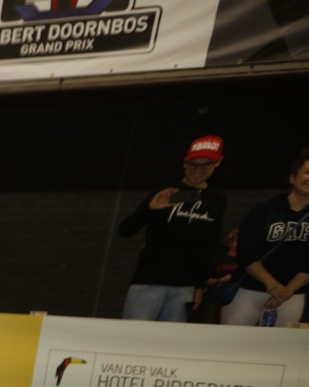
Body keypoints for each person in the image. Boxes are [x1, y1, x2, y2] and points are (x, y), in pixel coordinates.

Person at [118, 135, 228, 322]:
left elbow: (210, 243)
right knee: (134, 335)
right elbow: (126, 230)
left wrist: (200, 285)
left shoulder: (217, 199)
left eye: (205, 165)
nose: (198, 170)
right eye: (193, 164)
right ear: (185, 162)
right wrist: (149, 209)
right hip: (149, 282)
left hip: (185, 288)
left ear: (217, 163)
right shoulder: (168, 191)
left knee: (169, 338)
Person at [222, 146, 309, 327]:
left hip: (291, 295)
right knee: (232, 340)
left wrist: (287, 291)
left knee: (280, 343)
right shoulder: (263, 210)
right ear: (293, 178)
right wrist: (273, 285)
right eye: (307, 172)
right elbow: (246, 252)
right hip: (250, 290)